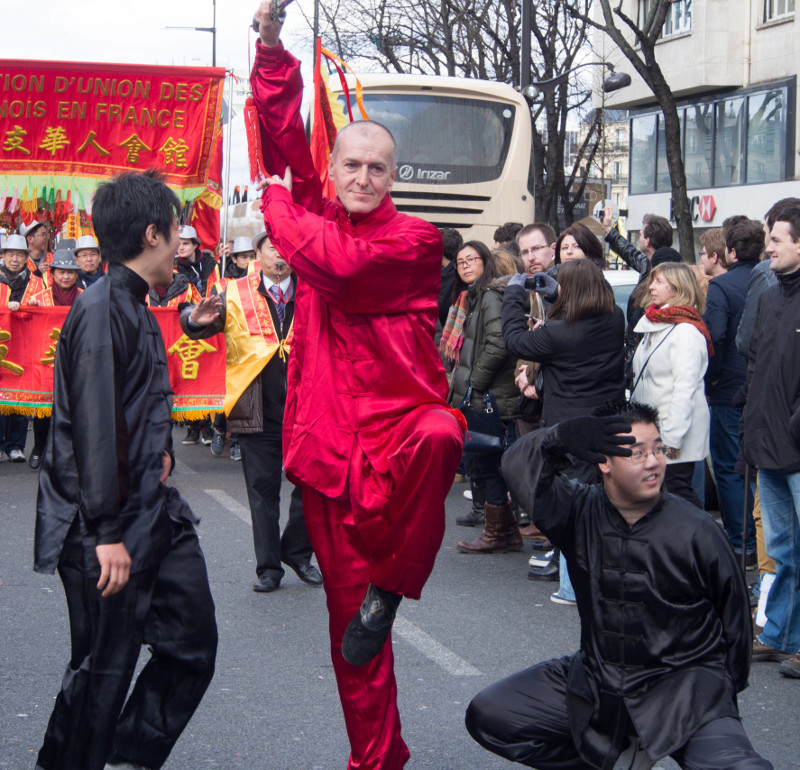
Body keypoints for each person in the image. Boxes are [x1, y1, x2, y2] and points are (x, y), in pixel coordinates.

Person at [250, 4, 465, 768]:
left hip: (400, 437)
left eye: (378, 166)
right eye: (352, 165)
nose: (365, 176)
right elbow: (283, 136)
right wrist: (272, 48)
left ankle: (394, 587)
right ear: (335, 172)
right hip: (330, 458)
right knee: (354, 644)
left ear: (393, 176)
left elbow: (338, 268)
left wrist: (274, 202)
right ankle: (378, 760)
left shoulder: (415, 240)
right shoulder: (316, 215)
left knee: (445, 432)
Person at [466, 401, 770, 770]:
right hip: (598, 682)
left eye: (657, 449)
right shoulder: (577, 511)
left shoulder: (699, 531)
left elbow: (736, 628)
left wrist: (718, 703)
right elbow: (515, 465)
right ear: (604, 462)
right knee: (490, 715)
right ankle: (611, 760)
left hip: (686, 691)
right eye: (637, 453)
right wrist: (557, 438)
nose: (654, 462)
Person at [32, 170, 217, 770]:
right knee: (101, 674)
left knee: (191, 645)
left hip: (152, 509)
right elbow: (94, 428)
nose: (179, 245)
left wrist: (189, 325)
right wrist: (107, 532)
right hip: (103, 525)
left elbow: (138, 379)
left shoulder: (130, 301)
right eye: (175, 234)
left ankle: (127, 757)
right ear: (151, 234)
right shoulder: (98, 308)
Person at [181, 230, 322, 593]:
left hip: (307, 410)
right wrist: (192, 321)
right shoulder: (235, 292)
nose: (280, 254)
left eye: (286, 246)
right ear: (257, 252)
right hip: (255, 408)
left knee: (314, 486)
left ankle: (298, 550)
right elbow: (199, 325)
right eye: (272, 246)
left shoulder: (314, 291)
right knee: (262, 491)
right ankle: (269, 567)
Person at [502, 259, 625, 600]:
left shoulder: (557, 334)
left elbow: (514, 340)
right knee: (604, 504)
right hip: (605, 420)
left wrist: (514, 295)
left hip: (569, 429)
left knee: (575, 508)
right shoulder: (615, 318)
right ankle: (604, 579)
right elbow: (586, 306)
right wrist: (557, 294)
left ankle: (573, 588)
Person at [742, 201, 800, 678]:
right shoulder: (768, 294)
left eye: (778, 239)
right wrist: (750, 431)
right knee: (781, 548)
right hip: (769, 441)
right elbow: (756, 366)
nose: (768, 247)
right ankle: (780, 634)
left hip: (795, 444)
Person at [442, 241, 521, 548]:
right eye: (460, 262)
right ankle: (507, 532)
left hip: (490, 395)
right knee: (489, 461)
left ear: (485, 262)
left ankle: (496, 534)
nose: (464, 266)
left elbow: (498, 344)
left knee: (489, 463)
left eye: (471, 260)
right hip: (485, 393)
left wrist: (474, 383)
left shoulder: (489, 296)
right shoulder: (474, 295)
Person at [704, 218, 762, 561]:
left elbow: (717, 336)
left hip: (727, 386)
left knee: (728, 465)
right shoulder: (770, 278)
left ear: (730, 251)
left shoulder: (722, 287)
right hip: (758, 383)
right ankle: (756, 541)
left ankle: (742, 542)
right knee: (759, 466)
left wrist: (710, 378)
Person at [631, 262, 711, 507]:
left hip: (672, 433)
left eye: (659, 282)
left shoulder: (685, 331)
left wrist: (673, 438)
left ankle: (702, 543)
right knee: (665, 497)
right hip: (655, 430)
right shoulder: (656, 323)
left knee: (677, 496)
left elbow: (684, 389)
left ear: (677, 289)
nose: (651, 287)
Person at [27, 250, 84, 470]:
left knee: (76, 410)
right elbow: (24, 321)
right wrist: (22, 307)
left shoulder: (84, 296)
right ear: (52, 274)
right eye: (61, 272)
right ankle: (39, 448)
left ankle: (71, 454)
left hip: (77, 359)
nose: (66, 277)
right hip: (46, 360)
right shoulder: (39, 298)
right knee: (45, 409)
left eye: (70, 272)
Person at [0, 233, 44, 463]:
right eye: (10, 254)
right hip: (2, 344)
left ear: (25, 257)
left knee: (22, 392)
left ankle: (16, 445)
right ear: (3, 256)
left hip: (26, 343)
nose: (15, 259)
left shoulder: (36, 282)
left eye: (19, 255)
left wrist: (34, 305)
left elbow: (45, 305)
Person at [599, 208, 673, 276]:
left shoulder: (666, 273)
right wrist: (608, 228)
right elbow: (629, 252)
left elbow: (629, 252)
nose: (639, 238)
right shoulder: (648, 264)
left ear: (647, 241)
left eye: (640, 235)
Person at [175, 224, 219, 297]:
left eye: (185, 244)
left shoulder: (209, 262)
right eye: (178, 244)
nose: (181, 248)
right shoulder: (174, 268)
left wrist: (226, 258)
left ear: (195, 245)